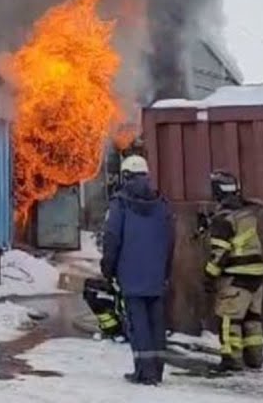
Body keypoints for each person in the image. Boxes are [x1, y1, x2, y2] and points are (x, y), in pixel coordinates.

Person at [101, 154, 175, 386]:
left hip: (130, 275)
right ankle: (157, 371)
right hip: (156, 275)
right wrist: (165, 270)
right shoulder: (161, 204)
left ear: (125, 176)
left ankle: (144, 373)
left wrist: (108, 268)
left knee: (138, 324)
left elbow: (112, 237)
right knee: (156, 324)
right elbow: (171, 239)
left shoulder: (120, 203)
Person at [204, 170, 263, 373]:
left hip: (236, 276)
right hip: (257, 276)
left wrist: (209, 275)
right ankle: (255, 359)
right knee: (252, 320)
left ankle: (231, 360)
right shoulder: (247, 214)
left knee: (228, 319)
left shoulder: (223, 220)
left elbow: (220, 254)